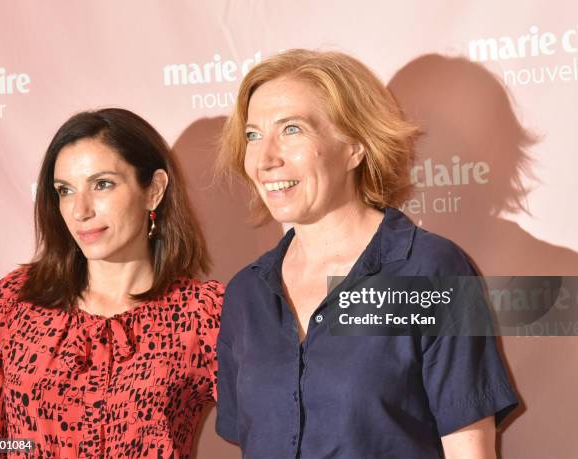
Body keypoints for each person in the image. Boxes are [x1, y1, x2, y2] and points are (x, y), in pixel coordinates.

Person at [215, 49, 518, 458]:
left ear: (355, 146)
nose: (265, 159)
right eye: (253, 135)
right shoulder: (246, 294)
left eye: (291, 130)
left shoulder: (429, 272)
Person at [0, 108, 224, 458]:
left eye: (102, 184)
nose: (80, 210)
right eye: (65, 190)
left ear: (153, 190)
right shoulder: (16, 299)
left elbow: (273, 427)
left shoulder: (203, 314)